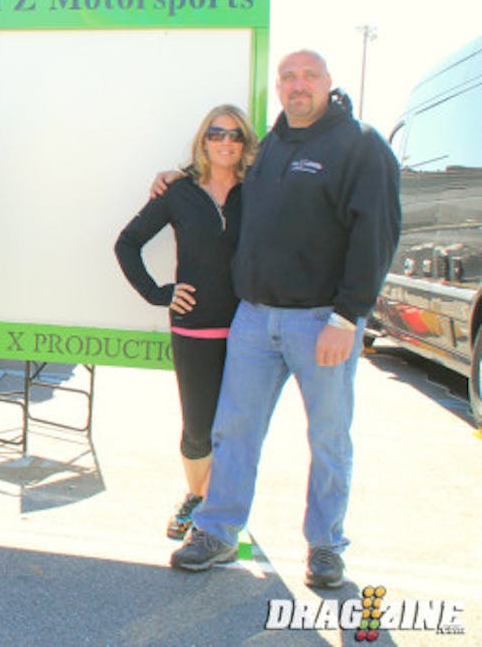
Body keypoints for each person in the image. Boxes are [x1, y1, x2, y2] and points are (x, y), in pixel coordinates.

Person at [169, 50, 400, 589]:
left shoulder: (359, 146)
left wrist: (348, 316)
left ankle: (325, 545)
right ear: (279, 87)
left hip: (322, 321)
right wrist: (174, 178)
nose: (298, 85)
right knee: (234, 430)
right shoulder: (270, 146)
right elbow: (221, 178)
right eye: (289, 77)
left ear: (328, 83)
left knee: (327, 437)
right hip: (255, 319)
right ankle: (218, 531)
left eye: (309, 76)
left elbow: (377, 234)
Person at [115, 104, 257, 541]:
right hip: (194, 328)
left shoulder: (258, 191)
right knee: (198, 428)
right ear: (204, 140)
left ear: (246, 143)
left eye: (235, 135)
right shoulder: (179, 192)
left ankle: (225, 508)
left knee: (237, 427)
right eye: (217, 133)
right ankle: (197, 499)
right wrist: (161, 293)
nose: (225, 142)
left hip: (250, 328)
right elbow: (127, 244)